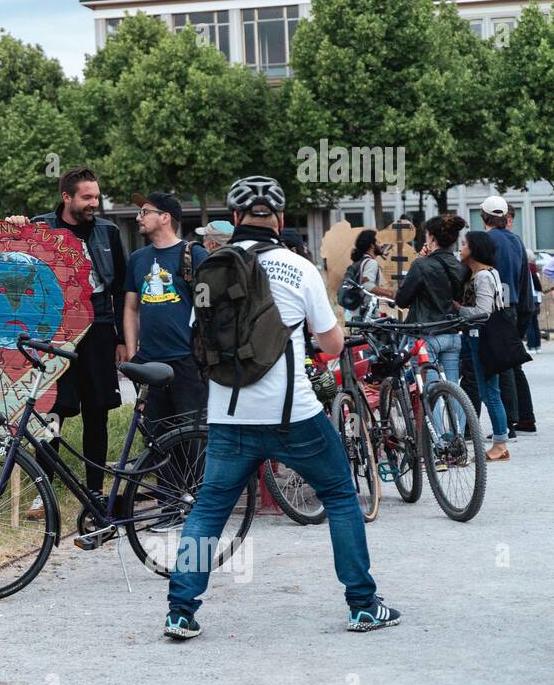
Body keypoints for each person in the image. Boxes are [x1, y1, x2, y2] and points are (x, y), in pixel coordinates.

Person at [165, 176, 399, 639]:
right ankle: (362, 604)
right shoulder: (299, 267)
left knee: (209, 509)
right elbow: (332, 344)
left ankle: (180, 610)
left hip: (228, 416)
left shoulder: (213, 268)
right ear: (280, 220)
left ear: (234, 220)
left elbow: (198, 337)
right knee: (338, 495)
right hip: (294, 414)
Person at [6, 167, 128, 497]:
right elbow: (13, 263)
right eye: (87, 197)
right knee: (51, 410)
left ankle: (95, 490)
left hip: (99, 330)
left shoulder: (109, 232)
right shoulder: (40, 228)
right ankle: (43, 490)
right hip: (55, 331)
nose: (94, 203)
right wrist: (17, 228)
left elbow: (119, 288)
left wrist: (120, 338)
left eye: (96, 197)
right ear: (66, 197)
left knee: (97, 412)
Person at [122, 192, 208, 437]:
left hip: (186, 363)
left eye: (145, 212)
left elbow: (208, 308)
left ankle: (194, 478)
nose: (139, 217)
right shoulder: (137, 259)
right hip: (149, 364)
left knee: (192, 440)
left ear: (165, 217)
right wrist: (132, 353)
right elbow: (130, 307)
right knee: (156, 442)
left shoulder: (196, 255)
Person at [394, 214, 469, 444]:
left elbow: (402, 299)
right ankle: (458, 441)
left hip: (427, 335)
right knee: (454, 389)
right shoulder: (460, 267)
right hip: (452, 334)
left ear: (432, 237)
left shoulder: (421, 265)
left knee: (431, 391)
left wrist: (420, 261)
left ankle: (439, 445)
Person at [481, 197, 535, 435]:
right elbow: (524, 280)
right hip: (516, 306)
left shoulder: (487, 241)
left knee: (502, 365)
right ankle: (525, 418)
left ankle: (509, 421)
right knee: (513, 364)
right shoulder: (516, 240)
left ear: (484, 217)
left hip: (496, 307)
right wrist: (525, 311)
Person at [456, 230, 511, 462]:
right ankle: (499, 442)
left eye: (465, 244)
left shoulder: (483, 277)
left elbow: (483, 312)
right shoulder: (483, 273)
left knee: (490, 393)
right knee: (488, 391)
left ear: (474, 249)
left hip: (483, 337)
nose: (461, 247)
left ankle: (500, 444)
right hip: (480, 337)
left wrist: (458, 309)